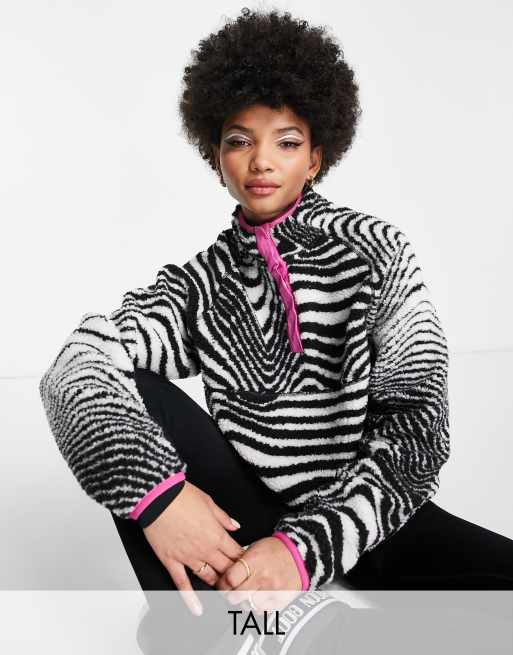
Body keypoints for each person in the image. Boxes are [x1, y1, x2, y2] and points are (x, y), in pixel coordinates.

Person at [39, 6, 513, 646]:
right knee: (134, 392)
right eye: (241, 140)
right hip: (250, 516)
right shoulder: (201, 284)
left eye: (287, 142)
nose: (262, 160)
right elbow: (71, 369)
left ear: (316, 157)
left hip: (370, 513)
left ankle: (229, 629)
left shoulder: (375, 251)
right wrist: (158, 499)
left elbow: (417, 429)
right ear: (216, 156)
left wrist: (302, 553)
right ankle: (269, 628)